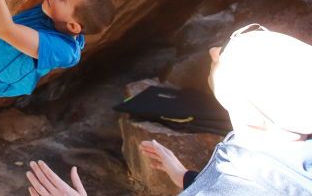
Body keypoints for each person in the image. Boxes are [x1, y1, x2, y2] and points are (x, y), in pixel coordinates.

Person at [25, 24, 312, 195]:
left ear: (252, 115)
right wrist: (185, 177)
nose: (215, 52)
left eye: (227, 60)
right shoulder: (288, 140)